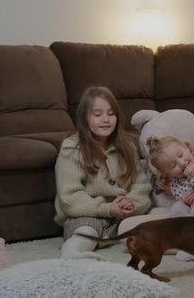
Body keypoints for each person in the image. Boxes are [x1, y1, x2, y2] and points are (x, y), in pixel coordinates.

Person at [54, 86, 152, 260]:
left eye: (111, 113)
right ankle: (72, 254)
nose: (106, 120)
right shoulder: (72, 148)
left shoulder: (127, 146)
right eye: (97, 114)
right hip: (87, 214)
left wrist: (131, 204)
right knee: (85, 231)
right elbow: (69, 198)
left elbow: (141, 185)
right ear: (85, 118)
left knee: (153, 222)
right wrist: (107, 209)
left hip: (122, 217)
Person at [145, 134, 194, 261]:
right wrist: (185, 200)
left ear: (186, 147)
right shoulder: (175, 182)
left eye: (181, 155)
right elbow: (183, 201)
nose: (182, 163)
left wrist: (193, 177)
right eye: (173, 166)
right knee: (177, 207)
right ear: (167, 173)